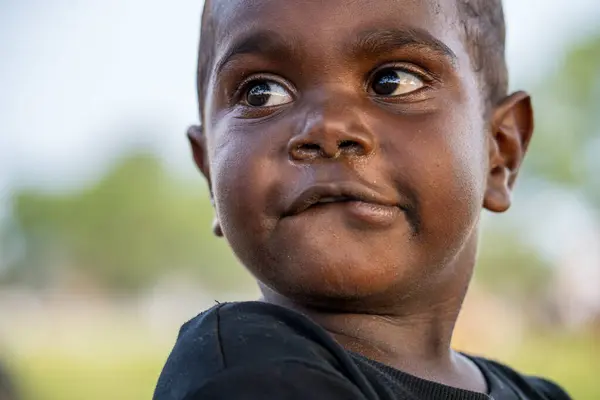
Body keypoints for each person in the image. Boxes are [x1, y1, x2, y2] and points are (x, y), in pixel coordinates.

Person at [154, 0, 572, 398]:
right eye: (262, 93)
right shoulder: (249, 372)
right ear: (209, 171)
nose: (327, 128)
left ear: (500, 153)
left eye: (393, 82)